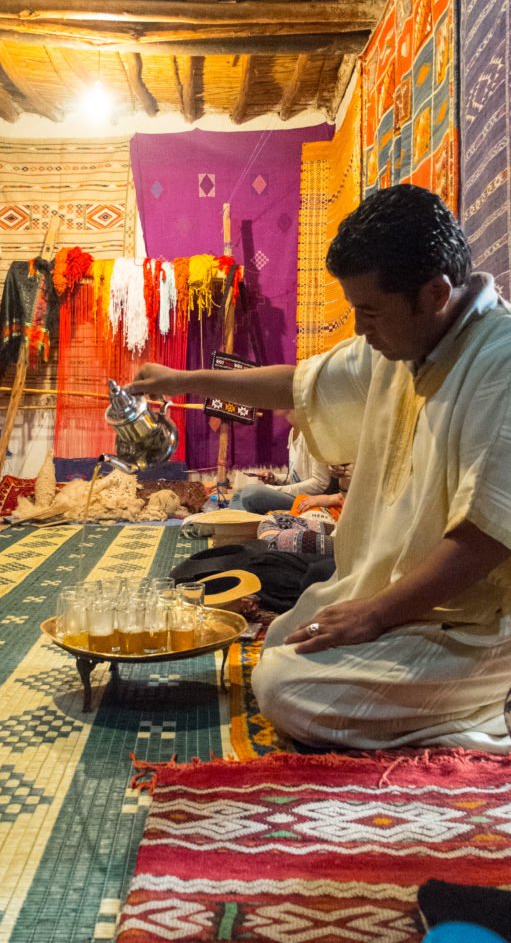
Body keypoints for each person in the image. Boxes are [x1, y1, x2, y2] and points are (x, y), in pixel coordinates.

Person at [129, 185, 511, 752]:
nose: (361, 330)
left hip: (474, 627)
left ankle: (487, 714)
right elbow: (301, 381)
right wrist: (183, 381)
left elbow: (487, 537)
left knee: (285, 688)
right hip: (400, 602)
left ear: (434, 294)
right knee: (281, 638)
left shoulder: (497, 363)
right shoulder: (405, 343)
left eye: (370, 312)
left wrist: (374, 617)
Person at [227, 409, 333, 514]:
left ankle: (242, 524)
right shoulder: (293, 432)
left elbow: (320, 483)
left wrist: (276, 490)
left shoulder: (314, 432)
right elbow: (295, 478)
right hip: (296, 495)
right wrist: (275, 478)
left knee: (250, 493)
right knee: (239, 495)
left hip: (310, 500)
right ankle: (236, 526)